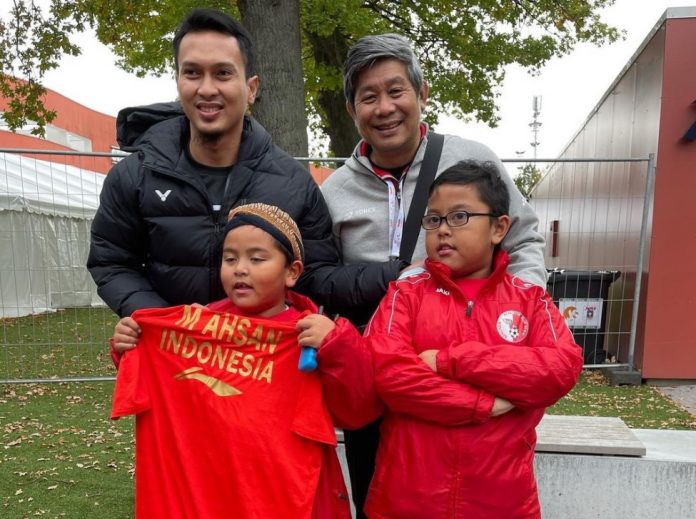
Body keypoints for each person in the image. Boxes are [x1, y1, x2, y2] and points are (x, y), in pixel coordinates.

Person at [318, 33, 548, 516]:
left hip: (475, 366)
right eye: (368, 96)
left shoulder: (472, 160)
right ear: (351, 108)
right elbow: (323, 278)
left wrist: (516, 320)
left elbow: (524, 239)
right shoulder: (336, 190)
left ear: (421, 94)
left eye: (396, 90)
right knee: (381, 494)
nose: (385, 107)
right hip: (386, 383)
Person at [301, 161, 583, 518]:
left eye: (459, 216)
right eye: (433, 220)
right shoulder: (405, 294)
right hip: (406, 501)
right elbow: (389, 374)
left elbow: (559, 369)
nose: (443, 230)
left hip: (503, 503)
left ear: (499, 227)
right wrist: (484, 404)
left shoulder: (530, 299)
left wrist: (452, 361)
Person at [87, 8, 339, 319]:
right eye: (192, 72)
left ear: (251, 89)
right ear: (179, 81)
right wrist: (170, 324)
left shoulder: (295, 183)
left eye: (223, 73)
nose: (207, 89)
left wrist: (394, 274)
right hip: (171, 355)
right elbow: (111, 260)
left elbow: (314, 276)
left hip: (262, 362)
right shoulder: (134, 176)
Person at [111, 203, 351, 519]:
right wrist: (128, 345)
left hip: (287, 491)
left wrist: (337, 346)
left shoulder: (312, 334)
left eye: (256, 258)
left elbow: (355, 408)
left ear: (291, 272)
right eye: (230, 258)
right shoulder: (198, 325)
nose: (240, 268)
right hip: (212, 489)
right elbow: (164, 378)